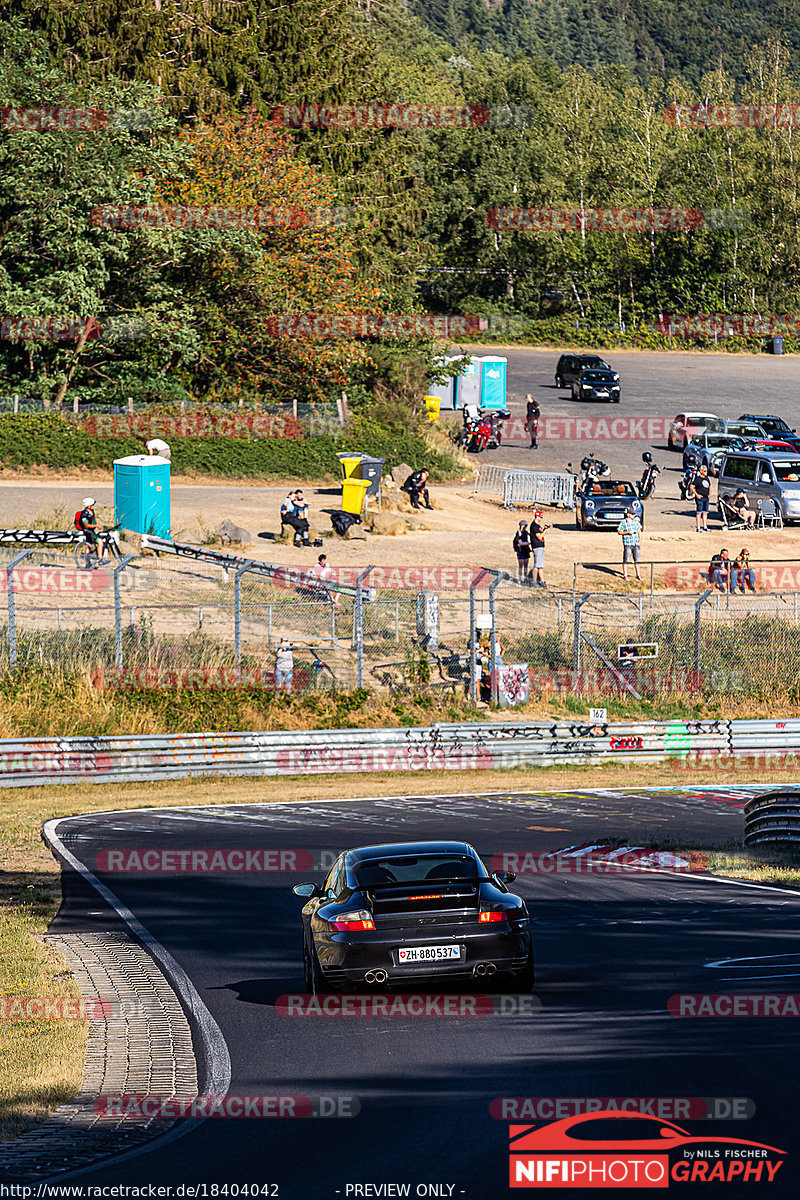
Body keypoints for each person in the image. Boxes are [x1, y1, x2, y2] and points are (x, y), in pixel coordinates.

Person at [617, 506, 642, 582]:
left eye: (634, 514)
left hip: (635, 543)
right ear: (628, 514)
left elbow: (639, 531)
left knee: (637, 560)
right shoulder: (623, 523)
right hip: (628, 544)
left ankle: (638, 574)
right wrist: (627, 533)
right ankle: (625, 575)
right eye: (632, 514)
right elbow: (619, 531)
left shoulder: (635, 522)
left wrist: (639, 541)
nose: (633, 515)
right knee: (626, 560)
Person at [690, 463, 711, 532]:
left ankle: (705, 526)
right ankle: (698, 527)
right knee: (699, 512)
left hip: (706, 498)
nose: (706, 472)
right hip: (700, 498)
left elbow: (709, 486)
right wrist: (696, 495)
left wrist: (709, 494)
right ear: (701, 471)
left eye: (706, 471)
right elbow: (692, 487)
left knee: (705, 512)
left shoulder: (707, 478)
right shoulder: (697, 479)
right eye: (704, 471)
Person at [530, 510, 548, 587]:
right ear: (537, 517)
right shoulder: (534, 526)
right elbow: (539, 537)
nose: (541, 519)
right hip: (537, 547)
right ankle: (534, 581)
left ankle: (542, 581)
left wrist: (544, 529)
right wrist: (545, 531)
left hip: (540, 547)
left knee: (541, 566)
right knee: (537, 565)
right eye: (540, 517)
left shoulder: (538, 526)